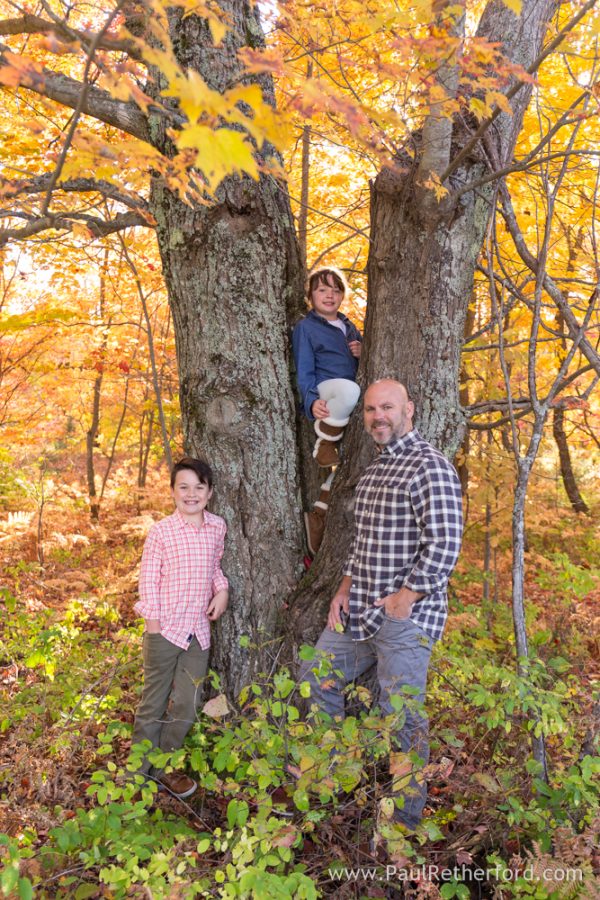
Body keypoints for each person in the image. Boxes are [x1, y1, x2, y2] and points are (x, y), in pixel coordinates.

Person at [299, 380, 463, 830]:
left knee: (402, 717)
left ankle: (403, 824)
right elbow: (362, 544)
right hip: (360, 609)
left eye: (387, 407)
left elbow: (445, 544)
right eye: (371, 409)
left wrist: (406, 598)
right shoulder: (374, 470)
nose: (378, 416)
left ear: (409, 409)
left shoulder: (430, 466)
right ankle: (332, 778)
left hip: (405, 619)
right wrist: (343, 588)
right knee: (316, 675)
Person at [129, 457, 229, 799]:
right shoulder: (162, 531)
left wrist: (223, 590)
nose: (191, 494)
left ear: (210, 492)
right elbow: (148, 580)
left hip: (198, 631)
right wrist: (153, 625)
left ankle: (163, 767)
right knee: (153, 704)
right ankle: (137, 776)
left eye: (199, 487)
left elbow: (214, 568)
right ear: (172, 492)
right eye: (183, 487)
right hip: (164, 629)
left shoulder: (217, 527)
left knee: (188, 702)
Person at [292, 266, 362, 555]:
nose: (329, 295)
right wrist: (311, 400)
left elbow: (362, 367)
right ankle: (326, 440)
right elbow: (304, 369)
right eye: (322, 290)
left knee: (355, 462)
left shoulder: (349, 327)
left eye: (336, 290)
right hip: (328, 393)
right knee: (349, 390)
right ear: (310, 296)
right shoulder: (306, 328)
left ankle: (318, 516)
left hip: (349, 403)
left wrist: (362, 352)